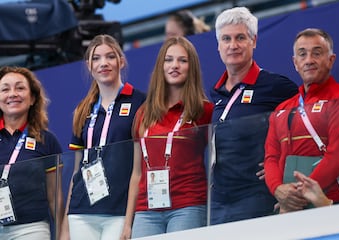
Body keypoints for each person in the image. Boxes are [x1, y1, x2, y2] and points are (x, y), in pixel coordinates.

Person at [209, 7, 299, 225]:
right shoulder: (215, 94)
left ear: (254, 41)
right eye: (226, 39)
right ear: (218, 46)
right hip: (218, 200)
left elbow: (302, 131)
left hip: (255, 195)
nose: (233, 45)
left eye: (241, 37)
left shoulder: (277, 87)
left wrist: (280, 171)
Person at [121, 36, 214, 239]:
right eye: (169, 59)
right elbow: (137, 174)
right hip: (146, 211)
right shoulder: (143, 113)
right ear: (161, 66)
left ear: (192, 67)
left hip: (188, 206)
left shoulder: (204, 110)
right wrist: (128, 223)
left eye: (182, 60)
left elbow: (217, 162)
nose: (175, 65)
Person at [264, 28, 339, 213]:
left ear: (331, 60)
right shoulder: (282, 109)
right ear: (295, 63)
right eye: (302, 54)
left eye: (317, 53)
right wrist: (278, 189)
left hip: (329, 204)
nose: (309, 60)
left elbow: (338, 155)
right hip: (289, 206)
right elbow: (271, 158)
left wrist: (299, 194)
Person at [60, 34, 146, 240]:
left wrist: (128, 220)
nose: (103, 63)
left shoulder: (140, 102)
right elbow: (76, 171)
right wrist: (65, 227)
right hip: (81, 211)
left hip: (118, 211)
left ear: (121, 61)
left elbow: (139, 169)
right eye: (96, 58)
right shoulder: (83, 109)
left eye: (110, 57)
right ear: (89, 66)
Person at [0, 66, 64, 239]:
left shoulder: (47, 141)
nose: (12, 94)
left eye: (20, 88)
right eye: (5, 89)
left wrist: (62, 233)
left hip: (31, 229)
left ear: (33, 98)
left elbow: (54, 196)